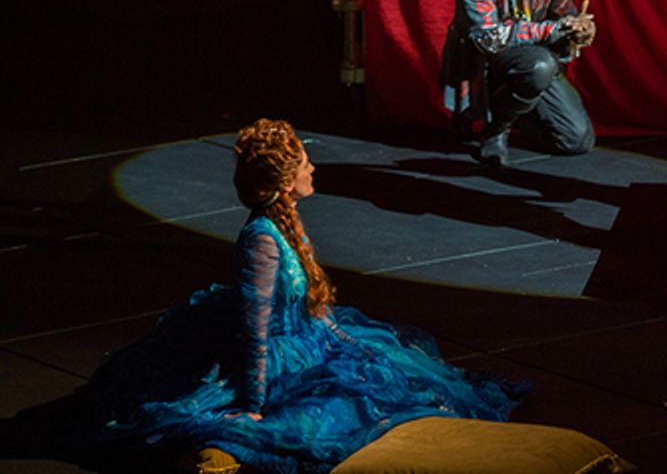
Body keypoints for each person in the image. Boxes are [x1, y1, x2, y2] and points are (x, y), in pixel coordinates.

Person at [78, 119, 526, 473]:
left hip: (308, 336)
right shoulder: (261, 241)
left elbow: (312, 303)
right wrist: (254, 403)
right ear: (285, 181)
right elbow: (253, 331)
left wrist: (347, 340)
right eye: (304, 165)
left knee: (395, 367)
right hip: (279, 355)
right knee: (331, 414)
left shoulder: (288, 221)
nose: (312, 170)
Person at [440, 0, 596, 166]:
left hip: (536, 59)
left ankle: (517, 108)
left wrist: (579, 28)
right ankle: (495, 129)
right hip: (487, 61)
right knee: (540, 65)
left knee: (576, 140)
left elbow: (563, 12)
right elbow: (489, 36)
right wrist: (554, 29)